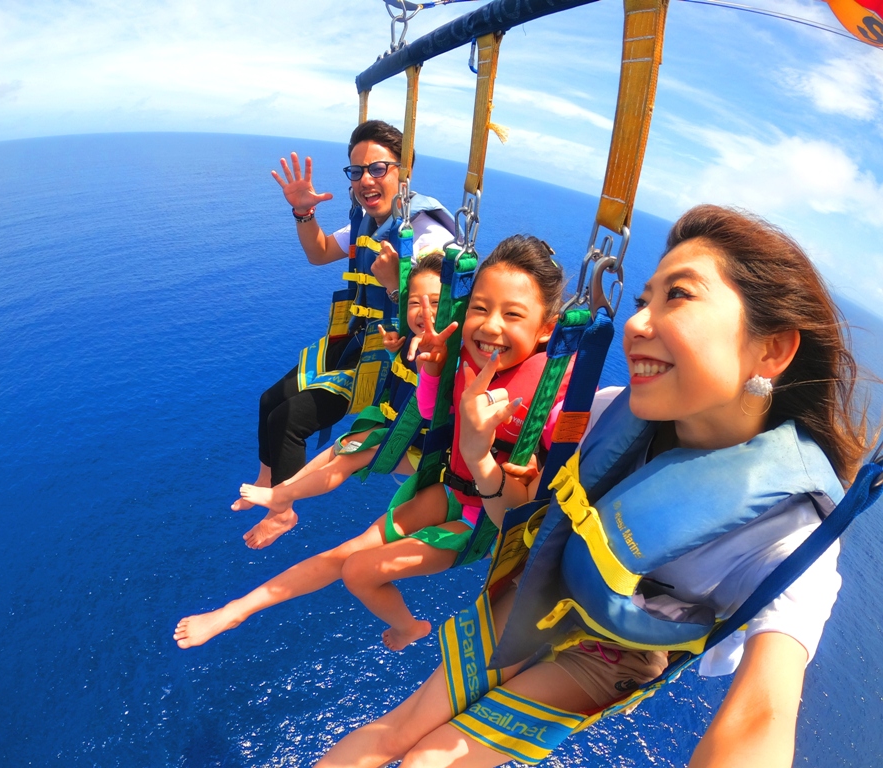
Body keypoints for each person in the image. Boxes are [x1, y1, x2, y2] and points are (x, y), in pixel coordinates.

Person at [314, 204, 872, 768]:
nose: (636, 323)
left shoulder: (791, 530)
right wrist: (481, 455)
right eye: (643, 301)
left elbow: (762, 714)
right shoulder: (603, 418)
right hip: (540, 594)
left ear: (771, 349)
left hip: (615, 655)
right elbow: (516, 518)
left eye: (678, 295)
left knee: (429, 760)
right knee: (397, 730)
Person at [174, 235, 567, 653]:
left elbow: (525, 506)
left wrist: (488, 458)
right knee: (346, 549)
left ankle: (406, 626)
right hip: (449, 490)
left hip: (483, 523)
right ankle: (237, 609)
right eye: (480, 308)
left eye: (512, 314)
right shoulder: (464, 361)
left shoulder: (550, 405)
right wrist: (433, 370)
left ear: (547, 328)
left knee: (358, 570)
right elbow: (430, 411)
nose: (490, 326)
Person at [236, 120, 454, 550]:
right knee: (269, 400)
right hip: (358, 341)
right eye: (357, 171)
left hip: (392, 361)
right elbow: (318, 252)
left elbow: (436, 321)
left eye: (378, 168)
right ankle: (267, 479)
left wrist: (395, 284)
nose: (365, 180)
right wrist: (304, 212)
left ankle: (282, 511)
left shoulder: (429, 237)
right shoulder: (372, 221)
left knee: (289, 420)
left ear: (403, 171)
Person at [236, 251, 444, 516]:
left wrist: (428, 363)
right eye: (414, 302)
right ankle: (281, 492)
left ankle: (282, 501)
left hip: (425, 447)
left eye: (436, 302)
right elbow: (406, 376)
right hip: (402, 428)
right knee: (339, 447)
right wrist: (394, 353)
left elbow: (428, 402)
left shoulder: (446, 354)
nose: (425, 311)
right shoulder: (411, 340)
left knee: (348, 458)